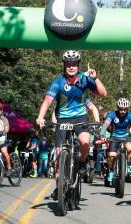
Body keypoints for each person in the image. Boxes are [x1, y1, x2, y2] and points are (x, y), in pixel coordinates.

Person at [36, 50, 107, 200]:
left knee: (85, 141)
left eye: (74, 64)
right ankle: (59, 186)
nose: (71, 66)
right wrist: (40, 117)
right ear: (65, 65)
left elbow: (103, 93)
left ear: (78, 65)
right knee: (58, 155)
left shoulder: (84, 78)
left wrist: (96, 78)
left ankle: (81, 162)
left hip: (80, 118)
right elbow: (47, 101)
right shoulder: (58, 81)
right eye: (68, 64)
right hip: (62, 120)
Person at [100, 98, 131, 184]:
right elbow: (105, 125)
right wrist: (102, 134)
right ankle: (111, 171)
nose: (123, 111)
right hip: (114, 137)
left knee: (130, 149)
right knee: (112, 156)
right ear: (118, 108)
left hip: (126, 137)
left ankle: (129, 165)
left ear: (127, 109)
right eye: (121, 109)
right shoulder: (112, 115)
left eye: (125, 109)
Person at [0, 102, 12, 176]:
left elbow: (7, 129)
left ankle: (9, 167)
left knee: (4, 151)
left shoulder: (4, 119)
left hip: (2, 139)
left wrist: (1, 132)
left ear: (2, 111)